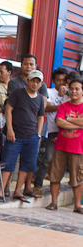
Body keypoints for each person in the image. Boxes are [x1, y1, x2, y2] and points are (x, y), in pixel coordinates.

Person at [0, 70, 45, 203]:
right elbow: (8, 110)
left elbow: (41, 117)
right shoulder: (18, 93)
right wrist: (9, 129)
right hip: (15, 135)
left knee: (26, 165)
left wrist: (38, 133)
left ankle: (18, 191)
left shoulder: (39, 98)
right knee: (8, 162)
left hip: (32, 136)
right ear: (27, 81)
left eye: (38, 81)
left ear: (41, 84)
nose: (35, 83)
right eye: (33, 80)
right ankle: (1, 191)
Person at [46, 78, 83, 214]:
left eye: (77, 89)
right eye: (71, 88)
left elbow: (64, 121)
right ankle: (54, 202)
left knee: (77, 177)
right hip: (60, 146)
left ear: (82, 91)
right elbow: (59, 123)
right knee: (55, 175)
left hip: (78, 148)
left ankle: (77, 205)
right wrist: (78, 124)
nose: (73, 91)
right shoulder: (63, 106)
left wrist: (69, 119)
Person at [33, 67, 69, 194]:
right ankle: (38, 184)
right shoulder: (49, 92)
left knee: (63, 160)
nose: (61, 83)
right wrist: (61, 107)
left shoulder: (70, 92)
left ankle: (56, 186)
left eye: (63, 80)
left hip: (67, 132)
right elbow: (46, 108)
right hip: (52, 130)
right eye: (58, 80)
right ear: (54, 80)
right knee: (47, 158)